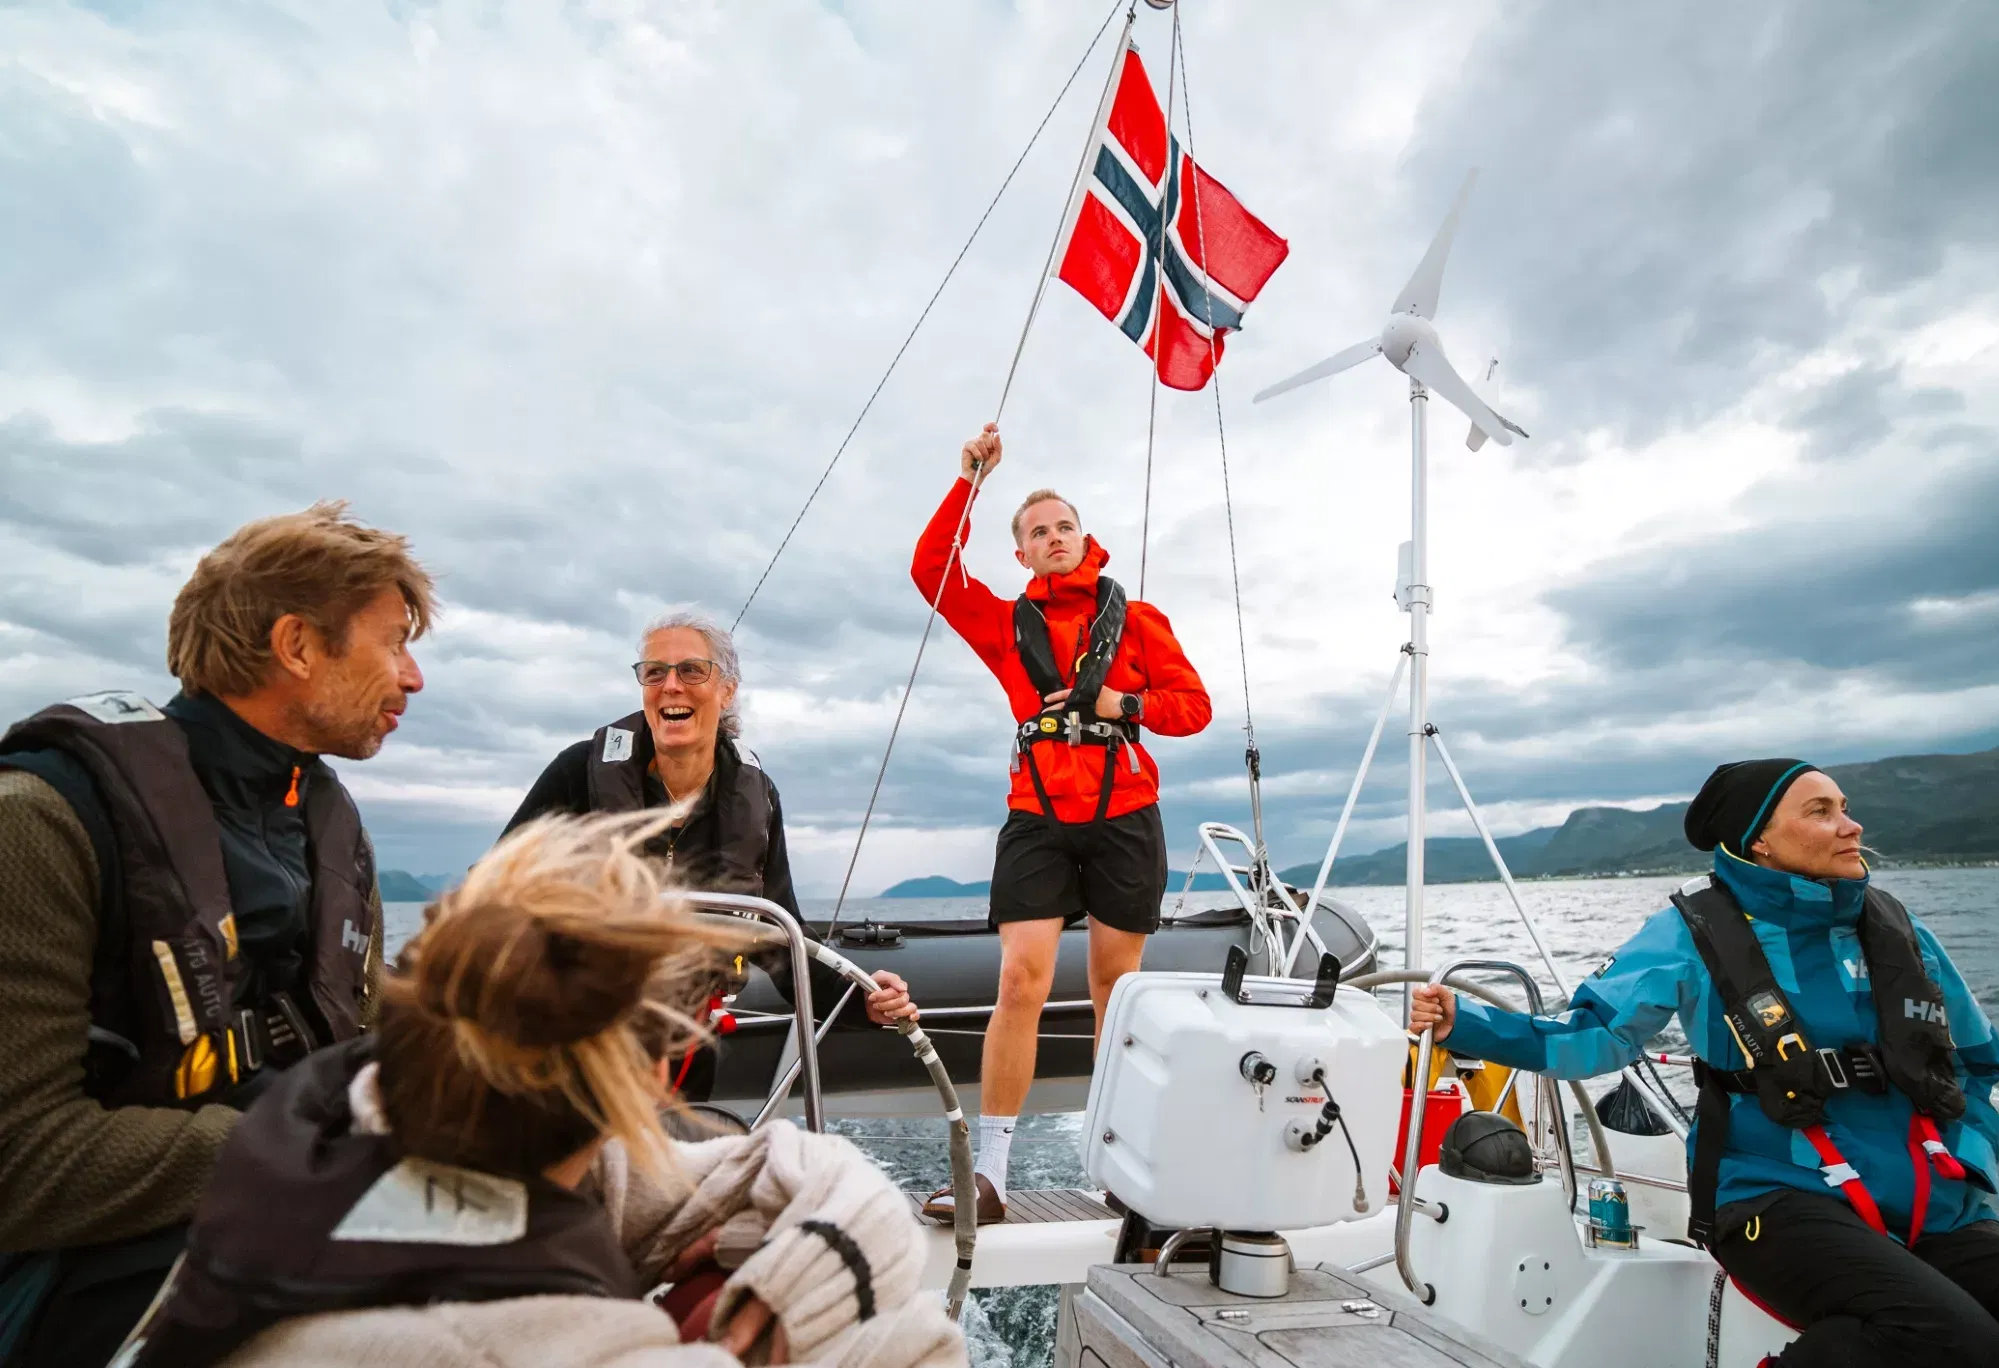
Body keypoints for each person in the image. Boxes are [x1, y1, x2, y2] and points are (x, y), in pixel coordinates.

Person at [119, 808, 965, 1368]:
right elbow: (926, 1344)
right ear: (647, 1082)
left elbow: (778, 1169)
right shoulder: (522, 1350)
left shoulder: (350, 1134)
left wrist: (804, 1276)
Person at [1408, 759, 1999, 1367]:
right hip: (1771, 1197)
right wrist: (1463, 1022)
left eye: (1846, 809)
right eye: (1821, 811)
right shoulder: (1691, 933)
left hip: (1932, 1202)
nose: (1851, 826)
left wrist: (1967, 1162)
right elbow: (1591, 1038)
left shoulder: (1901, 932)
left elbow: (1988, 1071)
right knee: (1948, 1337)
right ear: (1758, 840)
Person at [0, 501, 432, 1368]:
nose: (413, 677)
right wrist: (332, 1152)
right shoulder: (45, 820)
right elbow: (21, 1160)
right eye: (393, 642)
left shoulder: (325, 824)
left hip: (297, 1218)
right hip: (87, 1282)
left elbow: (375, 1025)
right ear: (298, 645)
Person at [911, 422, 1211, 1225]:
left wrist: (1122, 703)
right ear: (1021, 554)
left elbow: (1194, 708)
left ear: (1086, 539)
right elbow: (931, 571)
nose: (1052, 538)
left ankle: (1121, 1166)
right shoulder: (1006, 624)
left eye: (1063, 526)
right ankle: (994, 1175)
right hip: (1037, 815)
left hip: (1125, 814)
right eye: (1036, 531)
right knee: (1020, 981)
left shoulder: (1140, 619)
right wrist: (969, 482)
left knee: (1116, 987)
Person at [502, 607, 915, 1037]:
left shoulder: (757, 797)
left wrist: (862, 999)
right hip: (576, 1031)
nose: (672, 686)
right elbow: (490, 893)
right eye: (654, 672)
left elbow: (780, 936)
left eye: (692, 671)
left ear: (727, 691)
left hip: (688, 1040)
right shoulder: (578, 775)